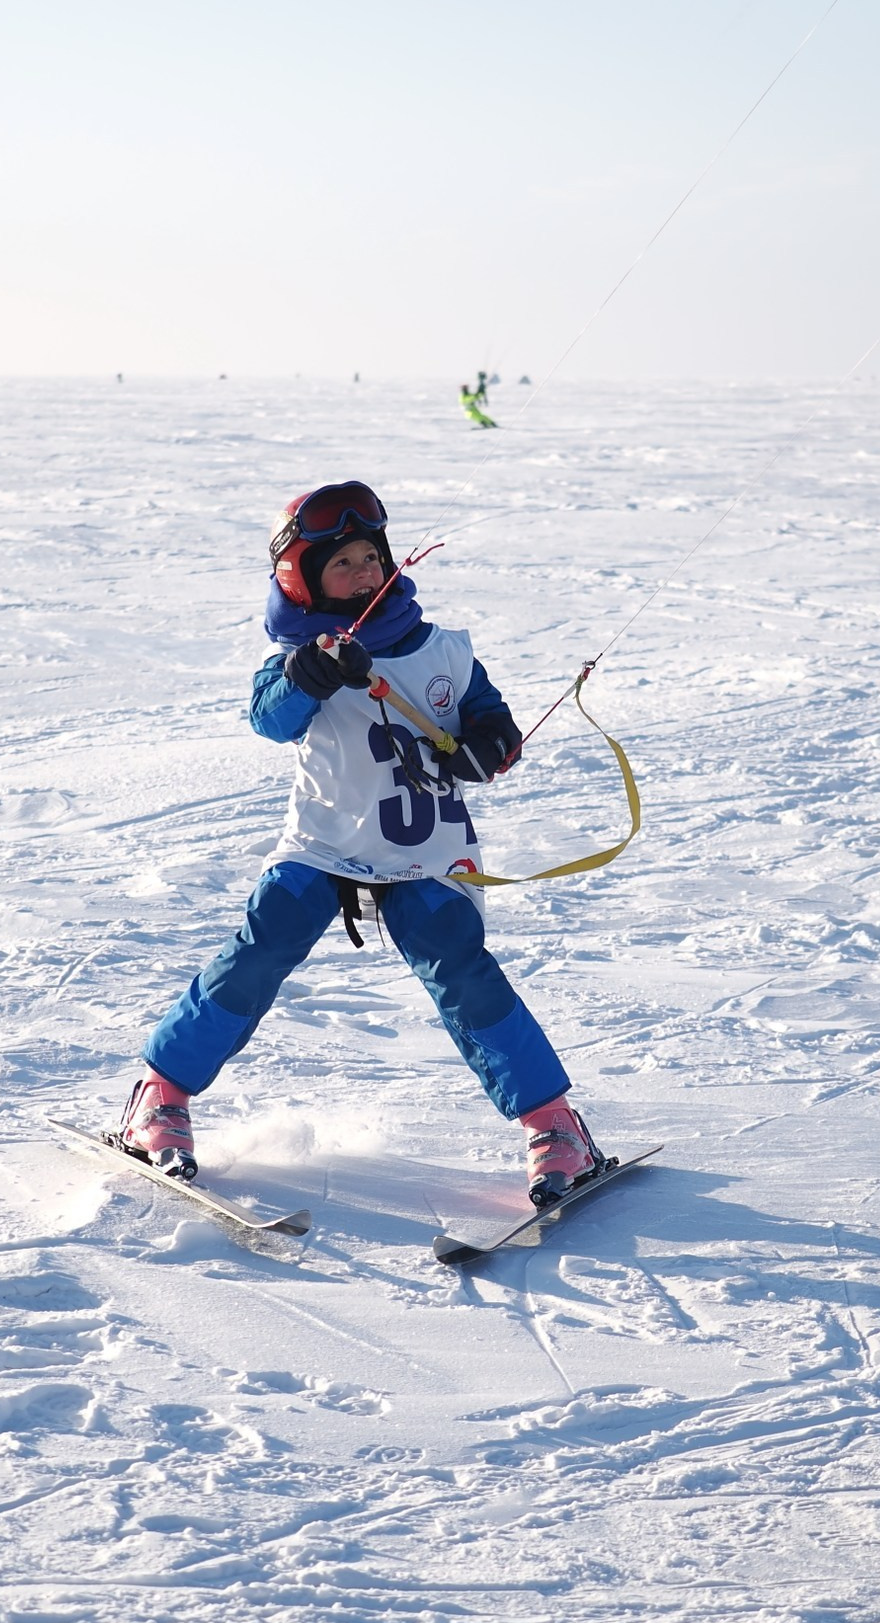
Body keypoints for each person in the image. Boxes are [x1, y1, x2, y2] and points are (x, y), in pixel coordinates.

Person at [115, 481, 606, 1208]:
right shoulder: (296, 655)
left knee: (462, 972)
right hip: (323, 845)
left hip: (425, 852)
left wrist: (491, 744)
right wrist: (305, 677)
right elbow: (270, 719)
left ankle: (554, 1125)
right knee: (259, 951)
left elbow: (490, 722)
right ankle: (160, 1096)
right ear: (303, 579)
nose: (364, 572)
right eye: (342, 564)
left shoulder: (443, 652)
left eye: (370, 557)